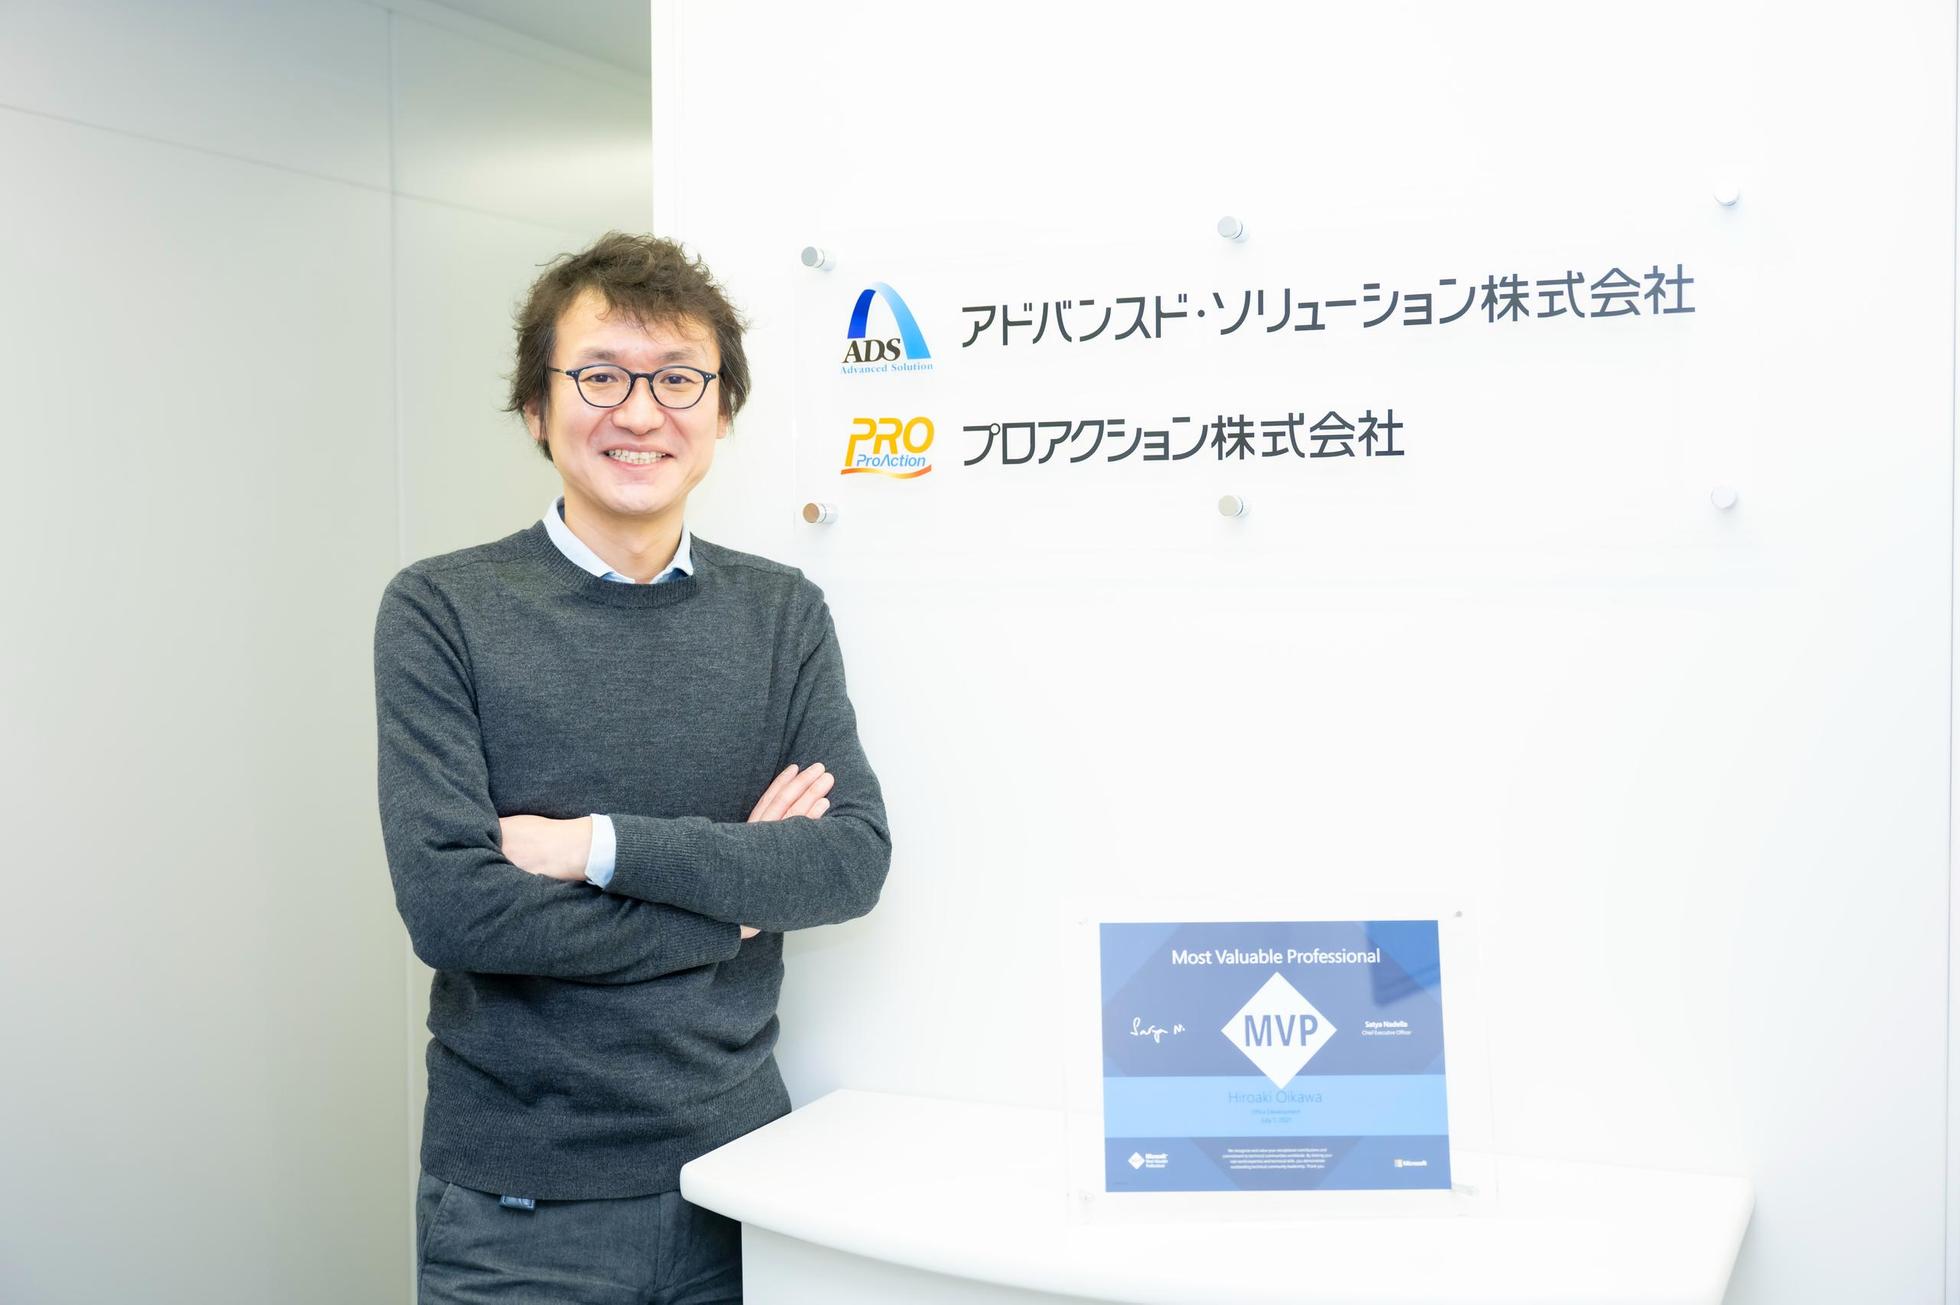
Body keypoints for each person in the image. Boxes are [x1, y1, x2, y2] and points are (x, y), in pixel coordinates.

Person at [373, 231, 891, 1303]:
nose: (642, 412)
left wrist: (594, 848)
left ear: (721, 411)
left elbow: (847, 861)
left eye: (678, 379)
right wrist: (730, 909)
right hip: (517, 1213)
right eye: (600, 377)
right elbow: (458, 912)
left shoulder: (781, 614)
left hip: (743, 1186)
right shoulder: (441, 609)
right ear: (536, 407)